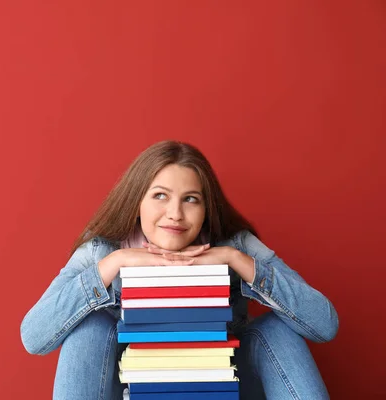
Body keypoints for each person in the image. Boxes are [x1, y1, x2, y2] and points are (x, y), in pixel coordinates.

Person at [20, 140, 338, 400]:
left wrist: (235, 259)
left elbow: (324, 325)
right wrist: (113, 265)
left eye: (190, 199)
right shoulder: (103, 251)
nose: (175, 214)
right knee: (89, 329)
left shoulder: (235, 246)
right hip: (131, 384)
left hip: (222, 381)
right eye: (160, 196)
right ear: (137, 202)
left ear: (205, 208)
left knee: (277, 330)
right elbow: (34, 336)